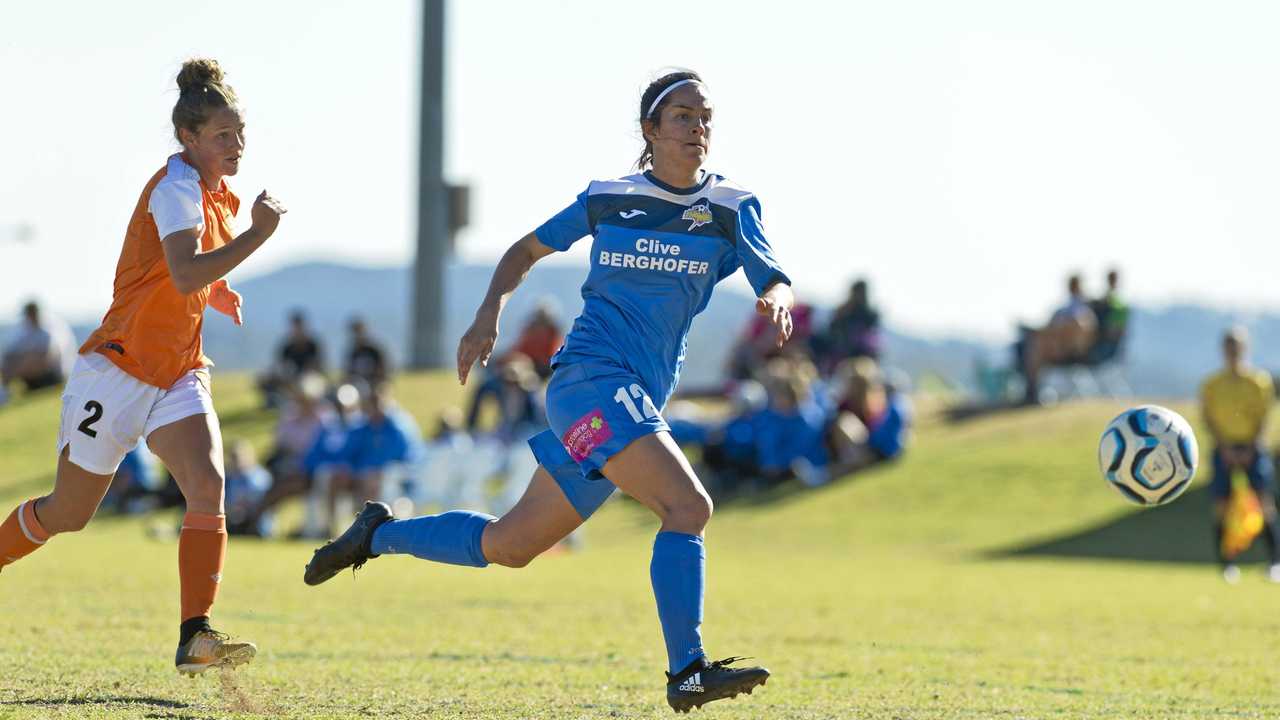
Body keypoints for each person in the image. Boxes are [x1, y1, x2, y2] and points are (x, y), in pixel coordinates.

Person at [305, 70, 788, 712]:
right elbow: (522, 252)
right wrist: (487, 317)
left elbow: (770, 270)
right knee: (687, 508)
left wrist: (775, 295)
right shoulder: (608, 197)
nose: (697, 127)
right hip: (588, 381)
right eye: (681, 116)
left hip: (630, 402)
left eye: (705, 117)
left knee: (510, 545)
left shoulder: (730, 208)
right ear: (650, 129)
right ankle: (688, 670)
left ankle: (376, 534)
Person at [0, 59, 285, 674]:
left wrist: (220, 290)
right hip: (119, 371)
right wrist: (258, 238)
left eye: (240, 132)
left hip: (178, 370)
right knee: (67, 514)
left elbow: (187, 277)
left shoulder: (215, 193)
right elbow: (184, 272)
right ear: (188, 137)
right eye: (222, 135)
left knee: (208, 486)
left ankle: (195, 636)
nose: (236, 145)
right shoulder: (176, 187)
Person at [1200, 327, 1280, 583]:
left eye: (1237, 347)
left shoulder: (1259, 381)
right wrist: (1224, 447)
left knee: (1264, 504)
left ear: (1245, 349)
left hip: (1253, 449)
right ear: (1223, 350)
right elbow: (1208, 418)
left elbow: (1264, 418)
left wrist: (1250, 448)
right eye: (1229, 347)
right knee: (1221, 506)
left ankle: (1275, 562)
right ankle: (1227, 565)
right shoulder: (1212, 384)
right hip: (1223, 449)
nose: (1233, 351)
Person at [1018, 274, 1098, 404]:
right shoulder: (1063, 309)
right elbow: (1051, 325)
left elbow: (1084, 328)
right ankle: (1032, 391)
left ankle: (1031, 391)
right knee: (1034, 347)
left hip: (1074, 350)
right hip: (1056, 348)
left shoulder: (1085, 309)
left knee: (1037, 348)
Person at [1, 301, 75, 396]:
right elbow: (10, 353)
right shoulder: (26, 331)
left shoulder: (49, 329)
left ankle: (4, 391)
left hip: (54, 376)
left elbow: (46, 359)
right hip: (35, 375)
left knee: (30, 359)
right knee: (12, 359)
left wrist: (17, 368)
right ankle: (4, 391)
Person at [345, 317, 389, 386]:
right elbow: (349, 372)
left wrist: (375, 382)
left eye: (359, 333)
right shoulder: (353, 353)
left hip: (376, 383)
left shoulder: (374, 350)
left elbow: (382, 371)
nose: (357, 336)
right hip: (358, 384)